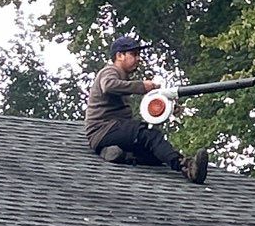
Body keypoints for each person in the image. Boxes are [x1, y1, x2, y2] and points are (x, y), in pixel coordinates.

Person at [85, 35, 208, 183]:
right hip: (104, 129)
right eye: (133, 54)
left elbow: (148, 105)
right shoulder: (110, 71)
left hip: (109, 132)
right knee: (150, 135)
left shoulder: (123, 79)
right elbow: (109, 85)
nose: (138, 59)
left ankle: (119, 154)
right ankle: (187, 168)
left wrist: (167, 107)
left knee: (156, 155)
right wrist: (142, 86)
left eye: (138, 55)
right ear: (119, 56)